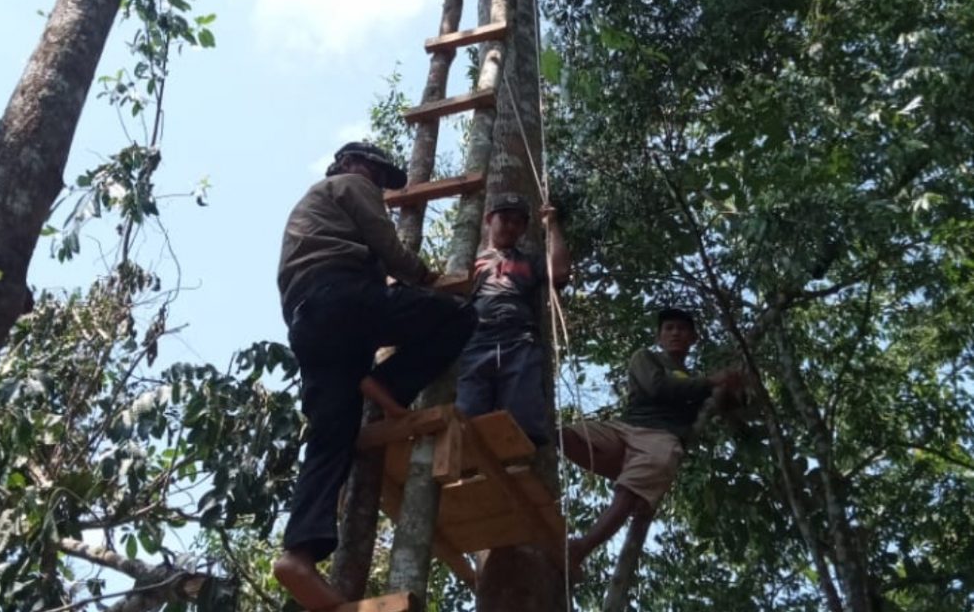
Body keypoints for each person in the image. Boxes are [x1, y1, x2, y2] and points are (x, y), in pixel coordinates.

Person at [273, 141, 477, 610]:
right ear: (349, 163)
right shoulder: (347, 185)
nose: (379, 184)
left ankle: (298, 556)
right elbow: (387, 246)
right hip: (340, 296)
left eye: (383, 180)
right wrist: (424, 277)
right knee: (460, 317)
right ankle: (385, 384)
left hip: (309, 322)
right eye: (375, 172)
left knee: (330, 441)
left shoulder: (316, 209)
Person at [561, 307, 744, 577]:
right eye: (668, 328)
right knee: (564, 435)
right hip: (626, 429)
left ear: (693, 338)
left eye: (682, 329)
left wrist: (735, 386)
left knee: (629, 492)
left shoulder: (700, 384)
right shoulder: (646, 358)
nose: (675, 333)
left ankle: (580, 549)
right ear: (659, 337)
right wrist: (711, 382)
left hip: (663, 439)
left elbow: (733, 411)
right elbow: (657, 388)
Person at [455, 193, 571, 445]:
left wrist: (551, 225)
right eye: (504, 219)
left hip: (518, 336)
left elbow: (560, 271)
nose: (510, 226)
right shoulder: (469, 263)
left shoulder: (528, 261)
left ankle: (516, 462)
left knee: (522, 415)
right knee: (468, 410)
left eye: (517, 222)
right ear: (488, 219)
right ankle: (468, 465)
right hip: (476, 336)